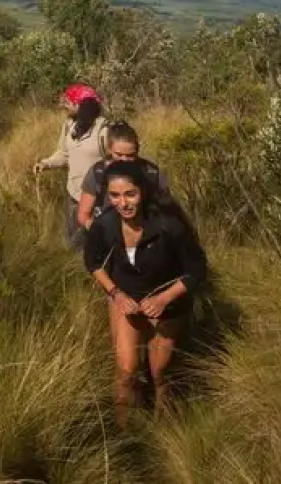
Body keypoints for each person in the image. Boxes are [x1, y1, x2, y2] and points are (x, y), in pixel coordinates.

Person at [83, 159, 208, 425]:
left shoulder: (169, 225)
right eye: (114, 196)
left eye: (130, 194)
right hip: (127, 298)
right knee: (126, 371)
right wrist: (116, 294)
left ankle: (165, 424)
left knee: (161, 372)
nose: (123, 203)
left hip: (168, 303)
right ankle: (124, 431)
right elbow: (93, 263)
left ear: (143, 192)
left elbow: (196, 269)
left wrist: (164, 298)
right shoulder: (104, 225)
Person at [32, 84, 111, 249]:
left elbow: (116, 160)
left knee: (99, 244)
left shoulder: (104, 130)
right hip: (74, 195)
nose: (65, 106)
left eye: (69, 102)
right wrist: (46, 164)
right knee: (73, 245)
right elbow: (63, 154)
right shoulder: (69, 126)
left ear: (81, 104)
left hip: (99, 199)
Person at [75, 121, 171, 231]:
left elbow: (168, 212)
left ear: (137, 150)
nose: (124, 160)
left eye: (130, 155)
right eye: (119, 155)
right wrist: (98, 232)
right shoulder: (98, 173)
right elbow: (83, 215)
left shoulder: (152, 173)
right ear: (110, 150)